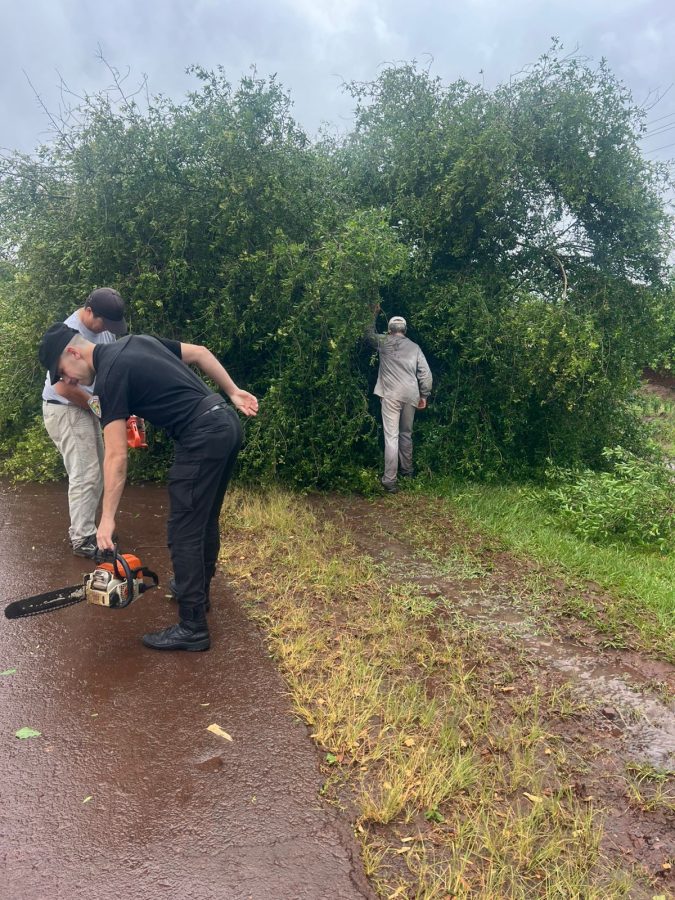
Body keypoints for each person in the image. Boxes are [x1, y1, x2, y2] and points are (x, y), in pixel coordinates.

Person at [38, 323, 259, 652]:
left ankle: (193, 627)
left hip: (201, 436)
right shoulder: (136, 342)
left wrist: (107, 519)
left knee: (183, 531)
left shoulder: (109, 378)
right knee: (203, 520)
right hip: (224, 422)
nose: (66, 381)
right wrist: (233, 391)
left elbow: (115, 456)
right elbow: (200, 353)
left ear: (73, 352)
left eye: (62, 372)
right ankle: (193, 593)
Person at [41, 288, 127, 558]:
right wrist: (101, 408)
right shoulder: (68, 333)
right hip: (65, 408)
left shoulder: (105, 328)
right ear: (89, 311)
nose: (106, 329)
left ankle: (92, 529)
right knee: (85, 473)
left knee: (100, 471)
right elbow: (63, 388)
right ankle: (82, 539)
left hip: (89, 407)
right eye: (103, 322)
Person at [366, 310, 432, 493]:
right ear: (405, 330)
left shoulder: (384, 342)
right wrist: (424, 396)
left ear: (389, 330)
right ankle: (407, 472)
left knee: (392, 437)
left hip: (391, 395)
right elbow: (426, 375)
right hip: (411, 395)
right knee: (405, 434)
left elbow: (367, 335)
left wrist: (373, 312)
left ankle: (390, 481)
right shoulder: (415, 347)